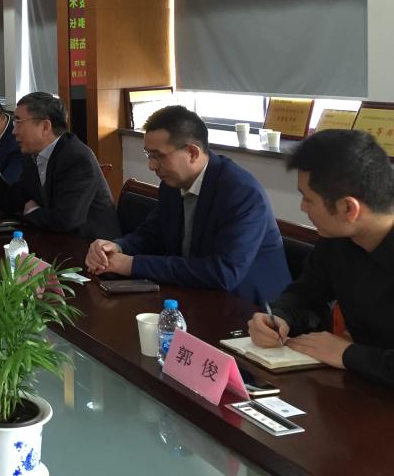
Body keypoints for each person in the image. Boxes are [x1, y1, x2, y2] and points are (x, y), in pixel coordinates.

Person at [85, 105, 290, 303]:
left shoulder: (241, 193)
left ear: (192, 152)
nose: (151, 165)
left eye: (158, 156)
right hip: (195, 295)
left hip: (250, 308)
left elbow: (223, 272)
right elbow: (151, 234)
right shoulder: (172, 184)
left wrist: (132, 265)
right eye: (148, 154)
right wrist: (117, 247)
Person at [247, 129, 394, 385]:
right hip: (363, 384)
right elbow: (307, 294)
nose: (302, 207)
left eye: (308, 199)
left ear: (348, 208)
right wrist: (278, 317)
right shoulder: (336, 239)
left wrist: (348, 354)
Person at [0, 92, 118, 239]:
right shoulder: (32, 155)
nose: (14, 131)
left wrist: (32, 210)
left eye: (18, 122)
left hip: (91, 247)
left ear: (45, 127)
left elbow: (65, 220)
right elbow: (15, 203)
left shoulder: (76, 158)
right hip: (53, 239)